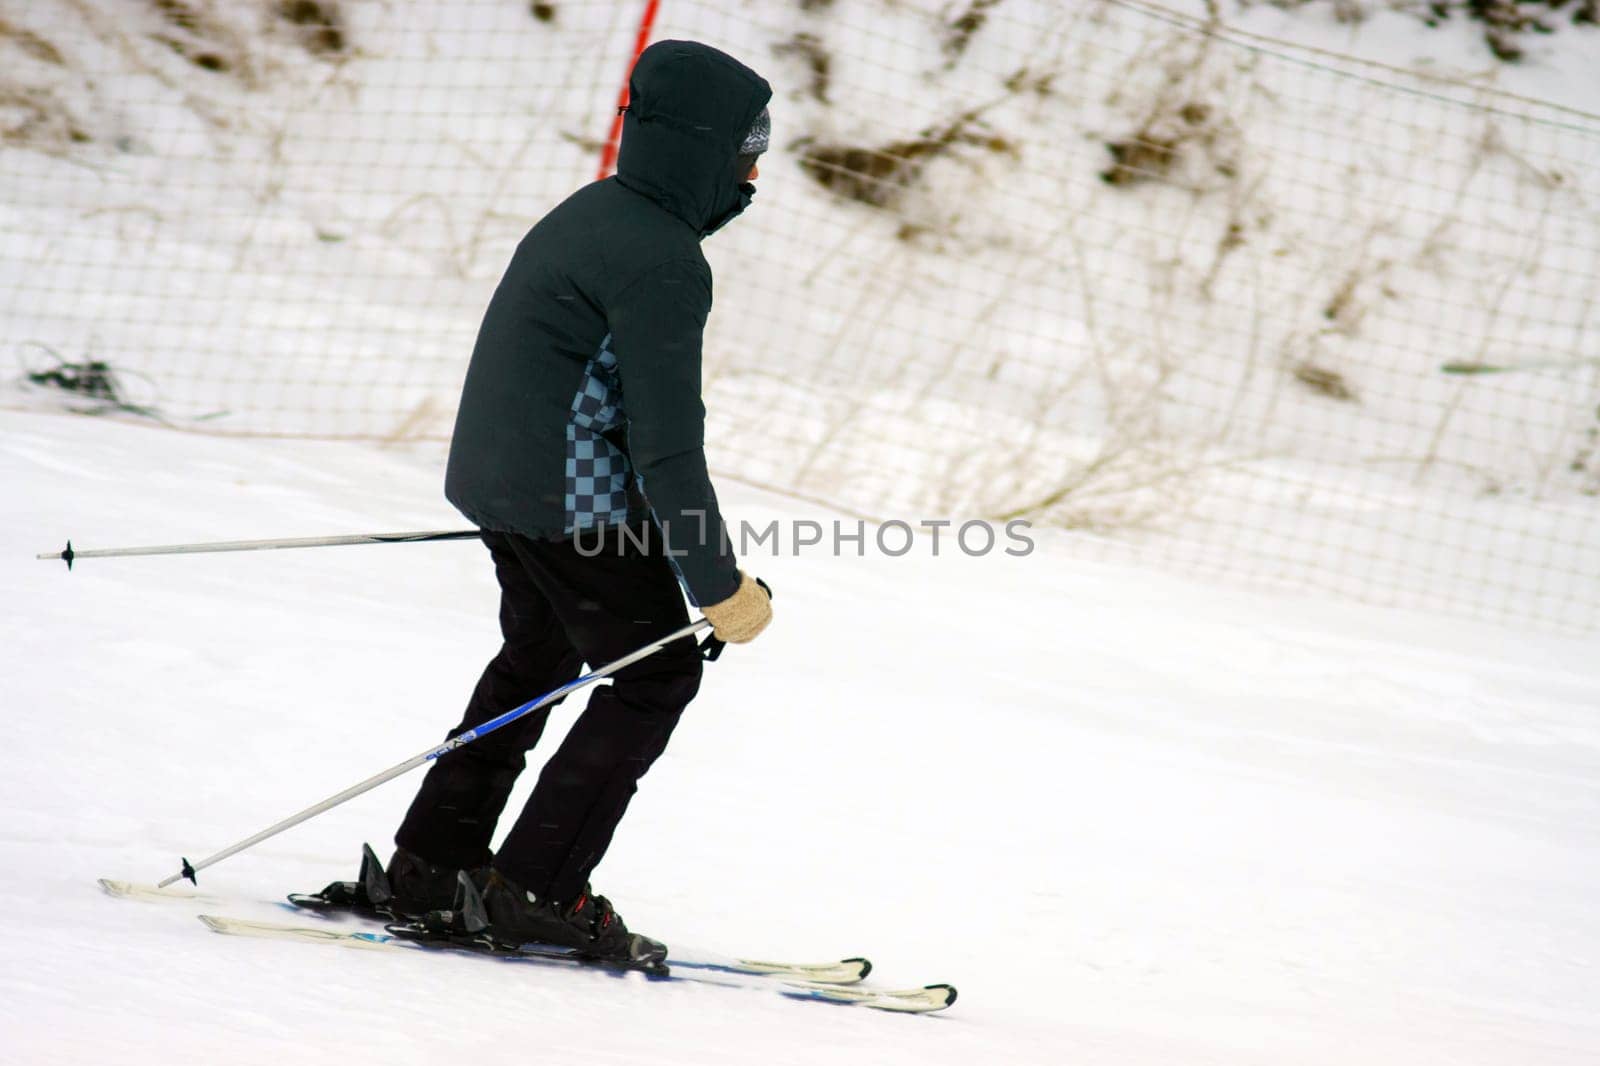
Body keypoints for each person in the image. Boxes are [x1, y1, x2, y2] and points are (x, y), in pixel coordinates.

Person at [382, 40, 775, 964]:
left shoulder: (591, 209)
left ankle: (432, 863)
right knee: (655, 674)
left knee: (541, 651)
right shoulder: (667, 261)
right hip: (570, 503)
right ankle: (534, 890)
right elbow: (668, 449)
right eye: (746, 151)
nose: (756, 173)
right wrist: (717, 586)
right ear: (704, 150)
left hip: (501, 485)